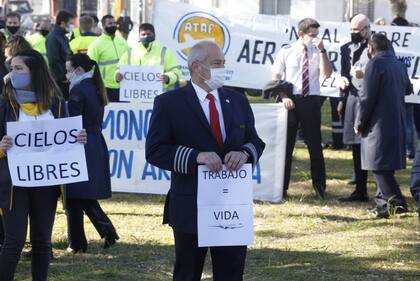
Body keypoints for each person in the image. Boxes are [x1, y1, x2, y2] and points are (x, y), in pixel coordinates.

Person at [146, 41, 265, 281]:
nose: (223, 68)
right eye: (217, 63)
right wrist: (195, 156)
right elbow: (155, 150)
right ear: (197, 67)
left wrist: (244, 153)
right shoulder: (170, 103)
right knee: (187, 272)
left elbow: (255, 141)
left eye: (223, 63)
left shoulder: (237, 100)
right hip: (191, 204)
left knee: (231, 273)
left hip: (231, 205)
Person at [0, 49, 87, 281]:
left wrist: (78, 140)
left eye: (19, 68)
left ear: (34, 71)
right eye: (12, 68)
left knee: (42, 243)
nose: (12, 73)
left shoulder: (57, 104)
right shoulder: (5, 104)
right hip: (13, 186)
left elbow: (66, 142)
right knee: (13, 242)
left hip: (46, 184)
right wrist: (1, 147)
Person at [272, 18, 332, 199]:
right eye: (312, 35)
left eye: (317, 35)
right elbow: (276, 77)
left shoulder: (318, 51)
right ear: (301, 34)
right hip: (291, 100)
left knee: (314, 145)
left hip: (311, 100)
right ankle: (281, 187)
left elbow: (327, 73)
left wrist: (322, 50)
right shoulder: (287, 51)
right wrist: (284, 97)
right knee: (286, 145)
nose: (315, 38)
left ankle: (320, 187)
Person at [65, 53, 119, 252]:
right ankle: (99, 232)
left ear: (79, 70)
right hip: (94, 141)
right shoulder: (95, 87)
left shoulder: (78, 90)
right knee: (81, 195)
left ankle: (79, 242)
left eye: (69, 70)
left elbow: (71, 120)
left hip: (81, 142)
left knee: (75, 195)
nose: (66, 74)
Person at [355, 33, 410, 219]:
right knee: (384, 164)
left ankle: (398, 203)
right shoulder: (399, 64)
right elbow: (408, 88)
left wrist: (359, 122)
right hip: (397, 119)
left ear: (370, 48)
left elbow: (366, 98)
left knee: (378, 164)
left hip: (378, 123)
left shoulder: (374, 64)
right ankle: (381, 205)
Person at [337, 14, 371, 202]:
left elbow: (384, 65)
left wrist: (364, 73)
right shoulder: (346, 49)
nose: (353, 33)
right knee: (355, 144)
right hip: (351, 97)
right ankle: (360, 188)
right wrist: (342, 86)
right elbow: (343, 73)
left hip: (369, 98)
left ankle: (373, 185)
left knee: (368, 143)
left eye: (356, 30)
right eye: (351, 30)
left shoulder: (378, 45)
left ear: (367, 28)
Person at [116, 23, 183, 92]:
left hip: (158, 96)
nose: (146, 36)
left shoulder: (165, 52)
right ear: (139, 36)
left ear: (154, 35)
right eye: (143, 34)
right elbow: (119, 69)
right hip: (135, 98)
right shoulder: (130, 52)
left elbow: (176, 72)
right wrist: (117, 75)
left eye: (149, 34)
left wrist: (168, 77)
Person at [87, 15, 128, 102]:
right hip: (106, 87)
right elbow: (90, 67)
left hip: (124, 85)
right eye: (110, 23)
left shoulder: (122, 42)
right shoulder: (95, 45)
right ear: (103, 26)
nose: (113, 25)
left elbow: (131, 60)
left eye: (114, 23)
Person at [46, 10, 75, 100]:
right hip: (59, 81)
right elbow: (53, 60)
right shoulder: (53, 37)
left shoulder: (63, 37)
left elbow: (68, 55)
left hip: (67, 79)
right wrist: (64, 77)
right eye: (71, 23)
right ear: (62, 23)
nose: (72, 26)